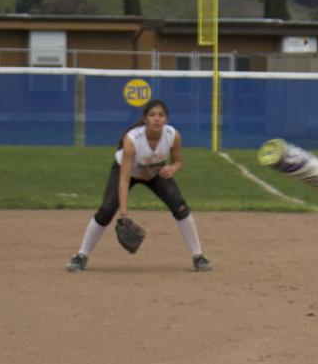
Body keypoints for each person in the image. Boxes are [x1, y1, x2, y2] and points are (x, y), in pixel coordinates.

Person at [65, 99, 212, 273]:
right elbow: (124, 180)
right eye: (152, 115)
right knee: (106, 210)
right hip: (128, 172)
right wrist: (124, 214)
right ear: (145, 119)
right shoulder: (133, 140)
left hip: (155, 172)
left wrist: (173, 167)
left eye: (161, 115)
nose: (156, 119)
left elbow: (179, 161)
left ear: (166, 119)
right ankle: (81, 256)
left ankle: (198, 256)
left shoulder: (173, 135)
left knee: (180, 206)